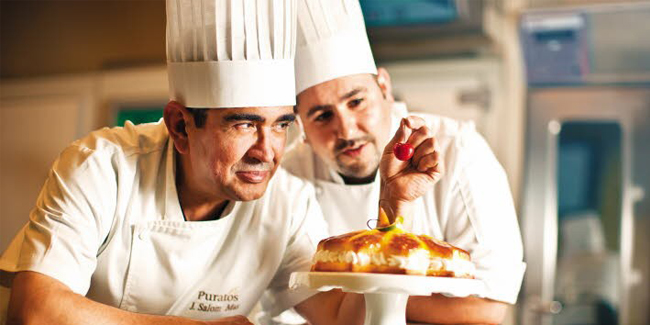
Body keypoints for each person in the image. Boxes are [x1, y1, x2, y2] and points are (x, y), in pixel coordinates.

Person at [0, 1, 374, 324]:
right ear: (180, 125)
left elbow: (341, 315)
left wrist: (393, 207)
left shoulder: (289, 202)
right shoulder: (102, 167)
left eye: (281, 125)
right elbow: (33, 311)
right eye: (244, 123)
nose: (267, 151)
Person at [282, 0, 527, 323]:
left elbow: (488, 308)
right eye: (322, 115)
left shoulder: (458, 152)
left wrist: (356, 290)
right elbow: (312, 307)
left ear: (384, 87)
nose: (346, 129)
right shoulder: (287, 178)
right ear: (300, 125)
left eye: (356, 101)